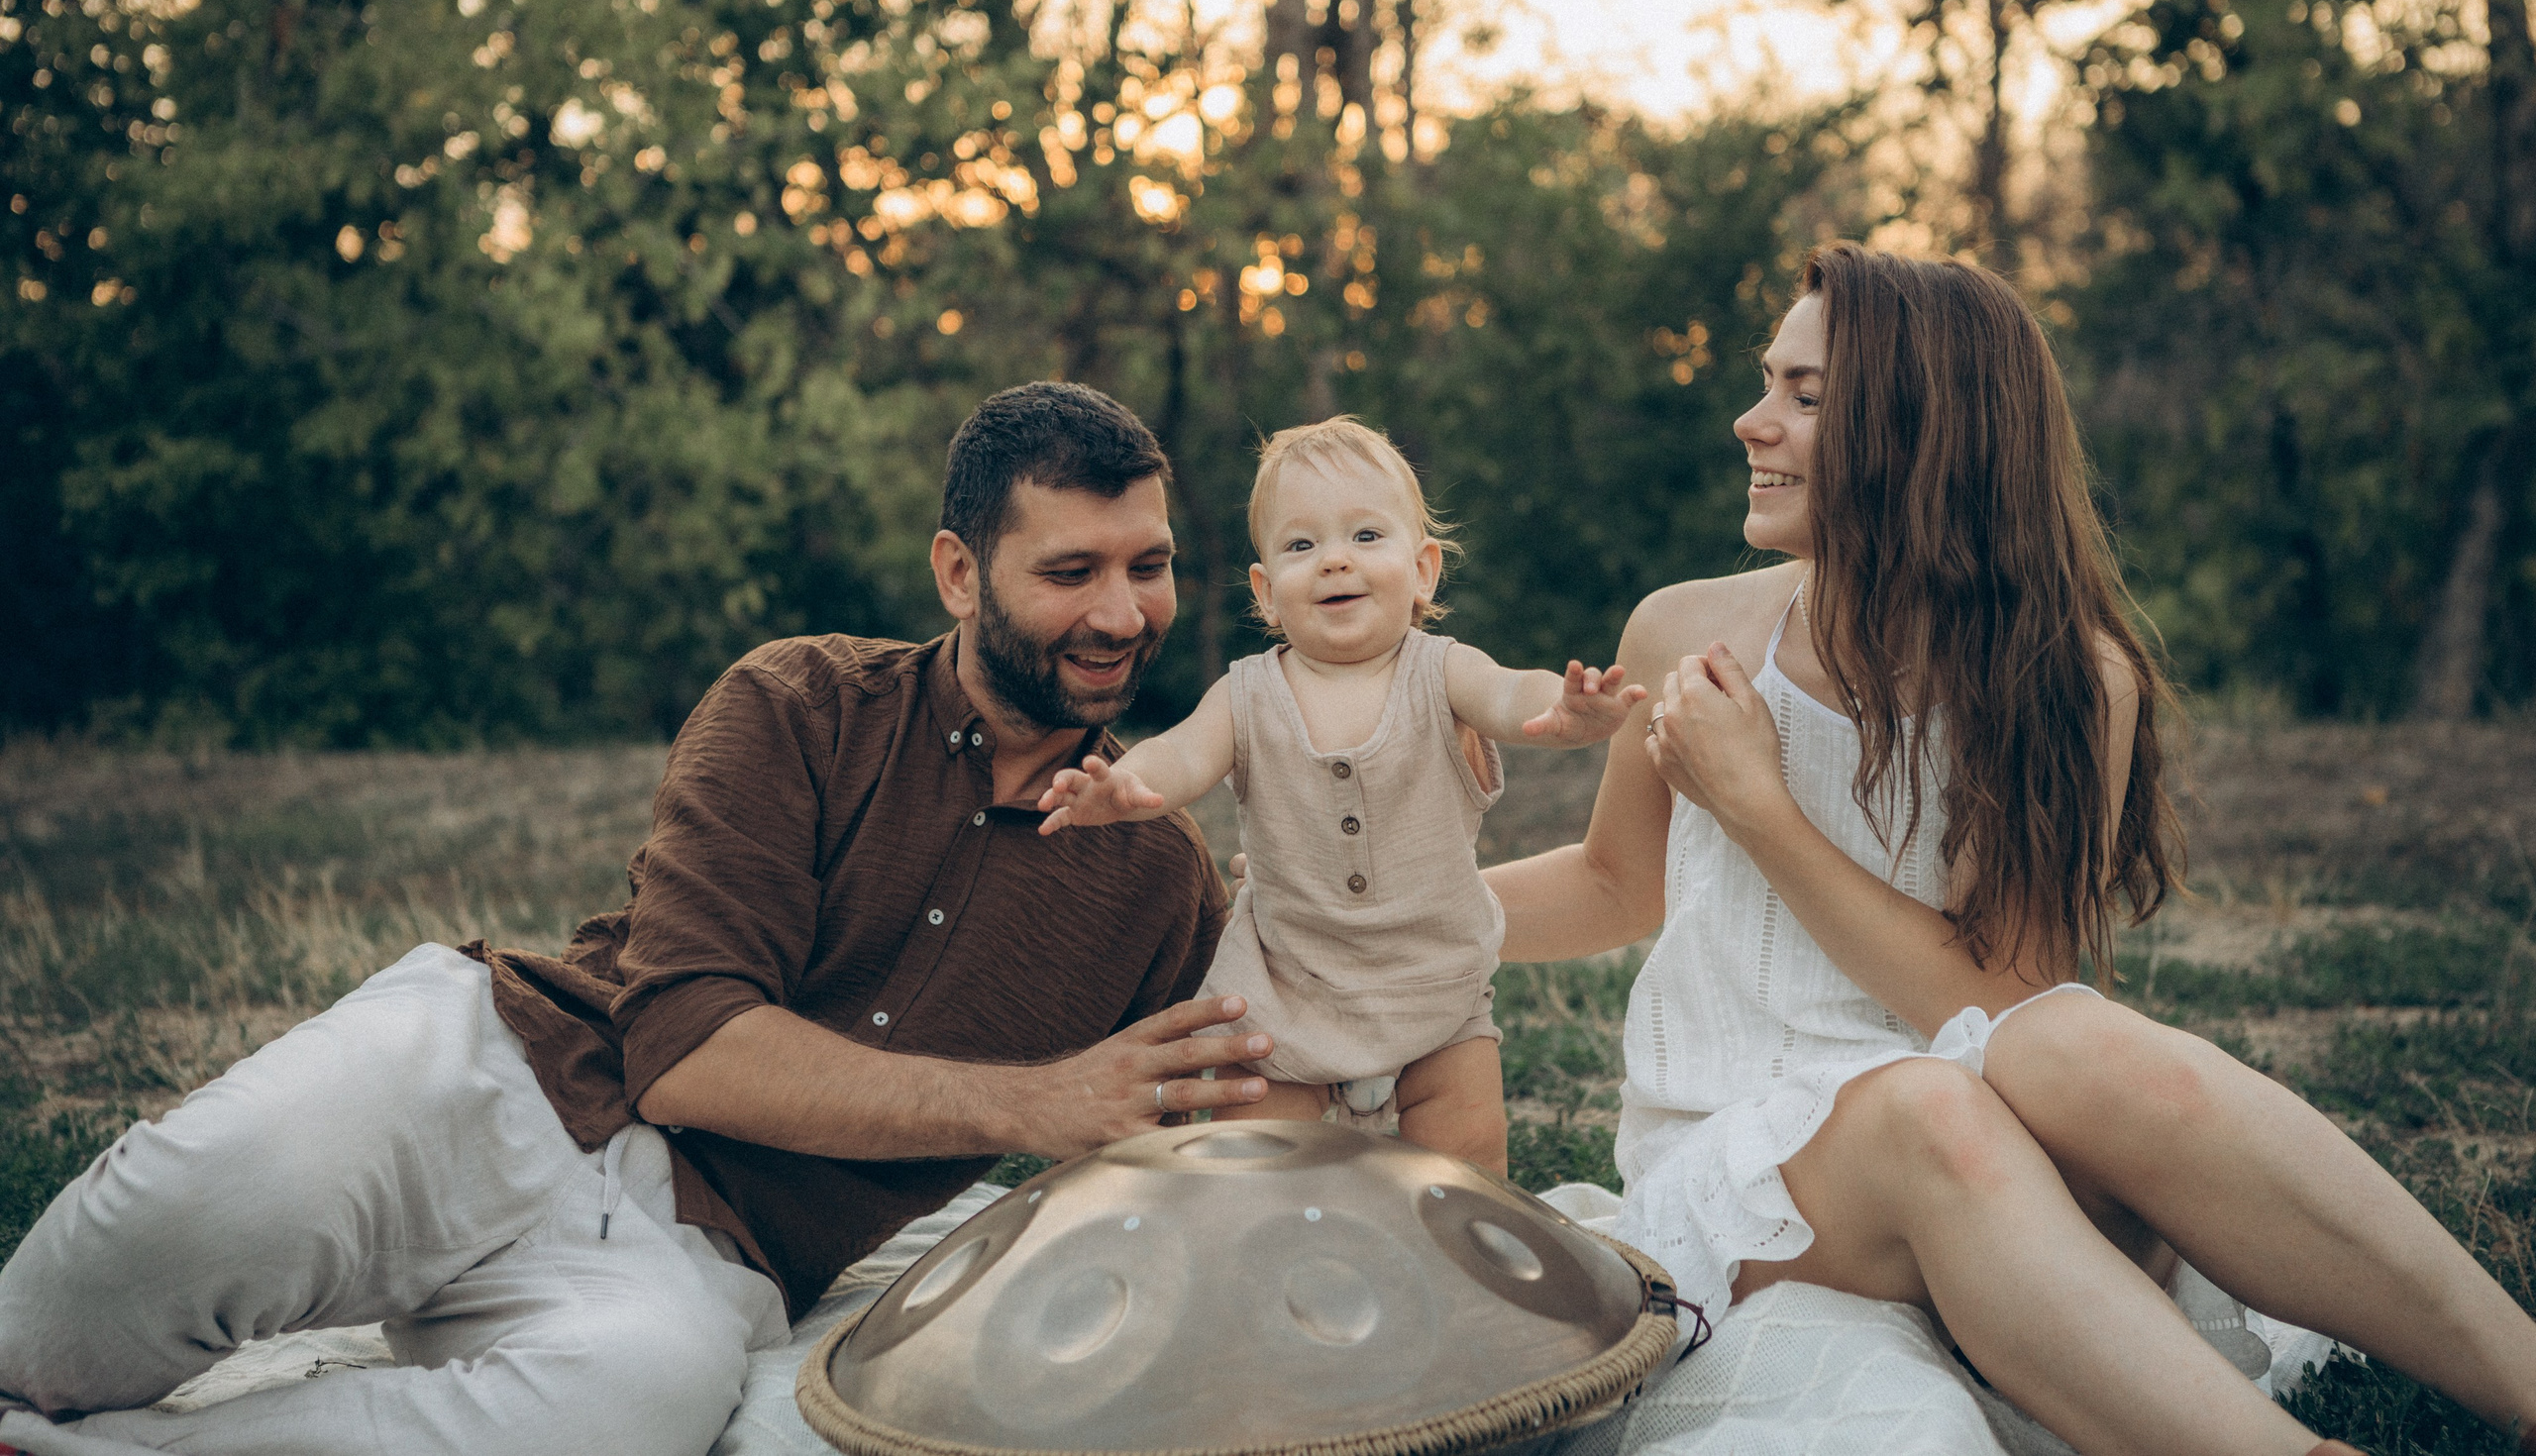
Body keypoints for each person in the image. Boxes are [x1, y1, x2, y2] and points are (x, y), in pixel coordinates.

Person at [0, 381, 1270, 1456]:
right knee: (57, 1327)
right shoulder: (800, 705)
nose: (1121, 615)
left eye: (1148, 566)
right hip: (492, 1084)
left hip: (699, 1260)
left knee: (635, 1407)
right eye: (1071, 571)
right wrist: (1024, 1106)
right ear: (958, 572)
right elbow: (686, 1051)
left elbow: (1200, 1144)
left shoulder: (1159, 879)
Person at [1485, 245, 2536, 1456]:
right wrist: (1355, 925)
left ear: (1924, 434)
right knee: (1930, 1108)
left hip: (1993, 1119)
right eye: (1767, 382)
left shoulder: (2070, 679)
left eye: (1805, 396)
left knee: (2071, 1038)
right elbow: (1614, 882)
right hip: (1755, 1159)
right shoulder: (1686, 631)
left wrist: (1759, 808)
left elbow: (1997, 1009)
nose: (1750, 419)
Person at [1036, 416, 1642, 1174]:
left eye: (1364, 536)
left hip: (1437, 998)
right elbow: (1183, 751)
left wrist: (1565, 712)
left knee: (1466, 1171)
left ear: (1422, 570)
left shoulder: (1442, 671)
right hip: (1290, 997)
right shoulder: (1248, 693)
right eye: (1301, 545)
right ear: (1266, 591)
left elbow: (1510, 692)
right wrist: (1127, 784)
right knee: (1256, 1167)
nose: (1333, 562)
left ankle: (1448, 1277)